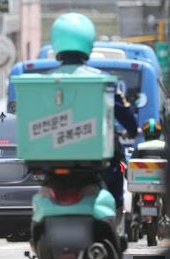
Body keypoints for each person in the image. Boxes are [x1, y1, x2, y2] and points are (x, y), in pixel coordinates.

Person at [47, 12, 139, 218]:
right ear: (88, 42)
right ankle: (114, 227)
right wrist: (132, 129)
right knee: (115, 176)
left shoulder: (42, 82)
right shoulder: (103, 81)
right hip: (96, 164)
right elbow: (125, 115)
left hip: (52, 162)